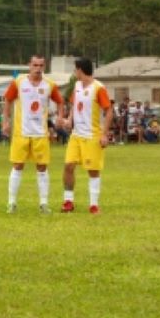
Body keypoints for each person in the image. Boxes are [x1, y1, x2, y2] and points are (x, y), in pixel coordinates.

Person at [2, 55, 64, 214]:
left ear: (44, 66)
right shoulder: (19, 82)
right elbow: (8, 100)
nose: (38, 68)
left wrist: (60, 116)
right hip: (21, 132)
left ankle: (43, 204)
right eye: (35, 65)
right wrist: (6, 121)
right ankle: (12, 202)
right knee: (17, 165)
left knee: (42, 167)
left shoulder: (49, 84)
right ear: (29, 65)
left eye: (41, 65)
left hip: (40, 133)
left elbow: (60, 101)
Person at [60, 57, 112, 213]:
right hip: (76, 135)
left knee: (93, 171)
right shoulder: (76, 86)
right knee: (68, 166)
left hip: (91, 136)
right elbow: (74, 104)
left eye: (75, 69)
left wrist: (104, 134)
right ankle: (68, 201)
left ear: (80, 70)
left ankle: (94, 205)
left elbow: (109, 111)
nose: (75, 72)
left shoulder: (98, 88)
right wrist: (69, 119)